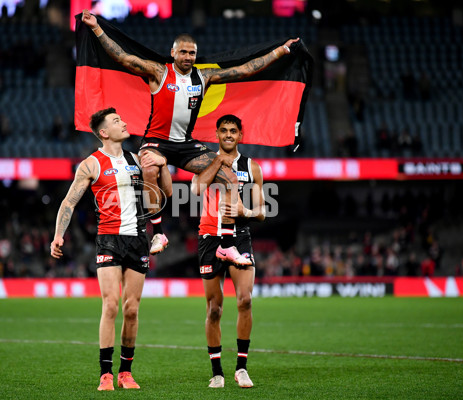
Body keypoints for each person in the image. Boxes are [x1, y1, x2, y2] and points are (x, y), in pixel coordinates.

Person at [81, 10, 298, 264]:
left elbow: (243, 71)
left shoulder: (203, 77)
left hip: (185, 144)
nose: (187, 57)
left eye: (191, 53)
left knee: (229, 175)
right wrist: (96, 28)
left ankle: (227, 245)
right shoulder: (158, 72)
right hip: (156, 141)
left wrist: (279, 52)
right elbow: (121, 57)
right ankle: (159, 234)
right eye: (182, 52)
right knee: (149, 165)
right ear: (173, 53)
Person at [50, 107, 172, 391]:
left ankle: (125, 372)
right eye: (117, 121)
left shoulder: (137, 159)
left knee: (132, 309)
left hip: (138, 238)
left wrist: (163, 164)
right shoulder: (91, 164)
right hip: (109, 239)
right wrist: (58, 235)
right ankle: (105, 373)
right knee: (111, 305)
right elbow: (69, 202)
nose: (124, 122)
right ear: (104, 132)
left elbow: (165, 192)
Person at [191, 114, 266, 388]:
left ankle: (241, 369)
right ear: (217, 134)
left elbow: (262, 212)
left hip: (241, 236)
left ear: (240, 135)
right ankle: (217, 372)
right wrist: (217, 163)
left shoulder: (252, 167)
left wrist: (245, 210)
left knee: (245, 300)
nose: (228, 135)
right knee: (214, 309)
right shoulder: (205, 161)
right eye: (223, 131)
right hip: (209, 238)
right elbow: (196, 189)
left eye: (233, 131)